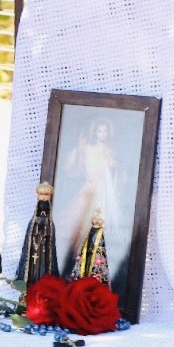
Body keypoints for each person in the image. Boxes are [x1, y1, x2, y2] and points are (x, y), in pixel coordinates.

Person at [58, 118, 125, 275]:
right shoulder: (88, 148)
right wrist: (79, 148)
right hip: (90, 189)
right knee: (82, 223)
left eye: (105, 131)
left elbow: (117, 170)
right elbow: (74, 164)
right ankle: (78, 263)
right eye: (99, 131)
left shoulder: (109, 150)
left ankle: (98, 263)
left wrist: (113, 167)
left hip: (105, 192)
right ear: (95, 132)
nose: (102, 134)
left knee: (105, 222)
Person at [16, 181, 59, 284]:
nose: (43, 207)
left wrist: (44, 232)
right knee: (33, 267)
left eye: (45, 205)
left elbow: (50, 238)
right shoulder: (33, 221)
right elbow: (30, 235)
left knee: (42, 267)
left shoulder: (49, 222)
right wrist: (37, 229)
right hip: (34, 249)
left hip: (44, 251)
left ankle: (42, 283)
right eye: (41, 204)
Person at [70, 209, 110, 284]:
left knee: (92, 269)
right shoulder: (90, 231)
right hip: (88, 254)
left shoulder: (100, 233)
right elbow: (87, 242)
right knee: (86, 268)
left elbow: (100, 246)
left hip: (94, 255)